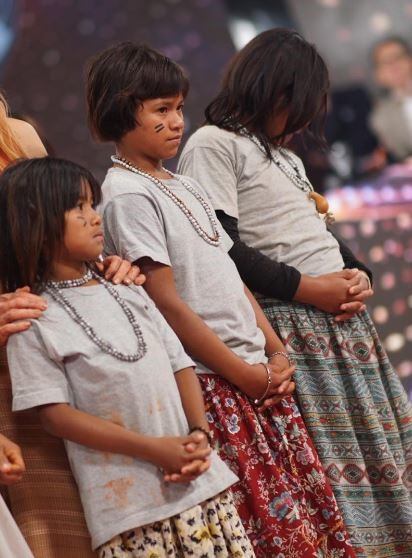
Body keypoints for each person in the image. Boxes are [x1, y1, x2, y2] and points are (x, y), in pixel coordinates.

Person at [88, 41, 355, 557]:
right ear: (121, 111)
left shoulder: (183, 185)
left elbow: (231, 275)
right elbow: (168, 304)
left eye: (179, 108)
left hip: (258, 370)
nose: (176, 122)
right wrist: (242, 371)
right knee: (273, 531)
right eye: (160, 110)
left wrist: (276, 351)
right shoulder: (125, 194)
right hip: (219, 382)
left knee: (312, 517)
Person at [178, 28, 412, 558]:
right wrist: (310, 290)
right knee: (335, 465)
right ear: (272, 91)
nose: (302, 121)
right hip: (295, 330)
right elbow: (224, 250)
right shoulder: (213, 144)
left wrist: (358, 274)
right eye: (298, 105)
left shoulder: (285, 158)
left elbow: (316, 232)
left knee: (383, 452)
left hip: (343, 328)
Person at [2, 156, 252, 558]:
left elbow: (180, 364)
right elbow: (55, 416)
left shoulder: (129, 287)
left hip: (199, 485)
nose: (95, 217)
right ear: (38, 221)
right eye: (78, 208)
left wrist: (199, 434)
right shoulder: (31, 319)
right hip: (130, 511)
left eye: (92, 204)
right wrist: (155, 450)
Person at [0, 91, 145, 557]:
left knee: (125, 506)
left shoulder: (14, 135)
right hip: (11, 370)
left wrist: (102, 264)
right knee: (54, 528)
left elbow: (56, 218)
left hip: (63, 331)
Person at [370, 36, 412, 161]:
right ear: (378, 75)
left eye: (398, 57)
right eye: (385, 62)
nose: (393, 65)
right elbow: (402, 156)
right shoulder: (381, 117)